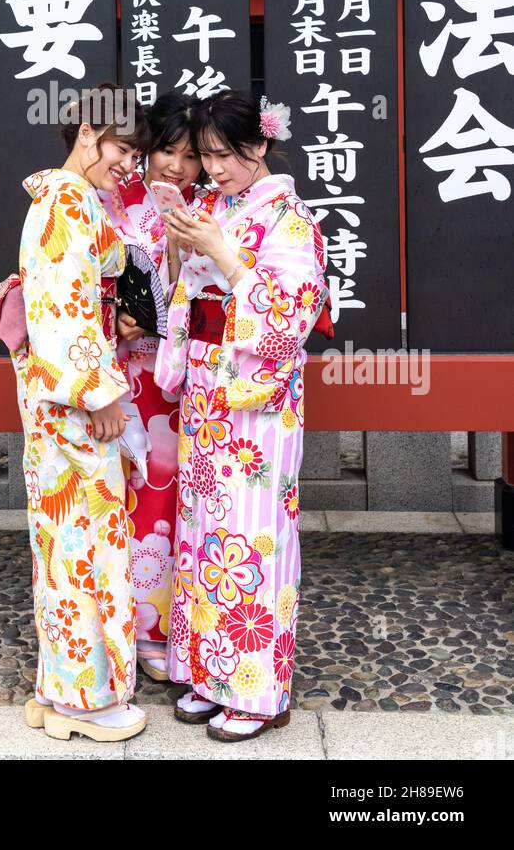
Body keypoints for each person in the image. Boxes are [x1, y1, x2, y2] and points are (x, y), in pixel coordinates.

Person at [157, 91, 329, 743]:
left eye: (225, 155)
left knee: (249, 540)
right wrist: (185, 250)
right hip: (207, 395)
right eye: (206, 156)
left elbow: (288, 321)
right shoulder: (216, 208)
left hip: (256, 410)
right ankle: (208, 673)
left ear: (259, 147)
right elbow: (188, 298)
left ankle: (258, 694)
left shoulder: (287, 220)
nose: (215, 168)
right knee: (204, 540)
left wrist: (224, 256)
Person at [12, 85, 151, 743]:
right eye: (125, 149)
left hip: (60, 398)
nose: (132, 165)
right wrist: (99, 395)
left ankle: (57, 687)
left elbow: (71, 305)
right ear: (92, 132)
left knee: (64, 543)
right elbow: (61, 313)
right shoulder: (67, 201)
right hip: (74, 404)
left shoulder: (64, 198)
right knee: (85, 545)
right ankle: (85, 700)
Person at [98, 91, 204, 682]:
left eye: (191, 157)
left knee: (174, 496)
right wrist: (115, 313)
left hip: (183, 373)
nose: (177, 167)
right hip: (125, 370)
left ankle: (172, 624)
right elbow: (88, 277)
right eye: (167, 150)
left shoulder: (209, 206)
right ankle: (131, 625)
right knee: (130, 490)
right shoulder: (117, 201)